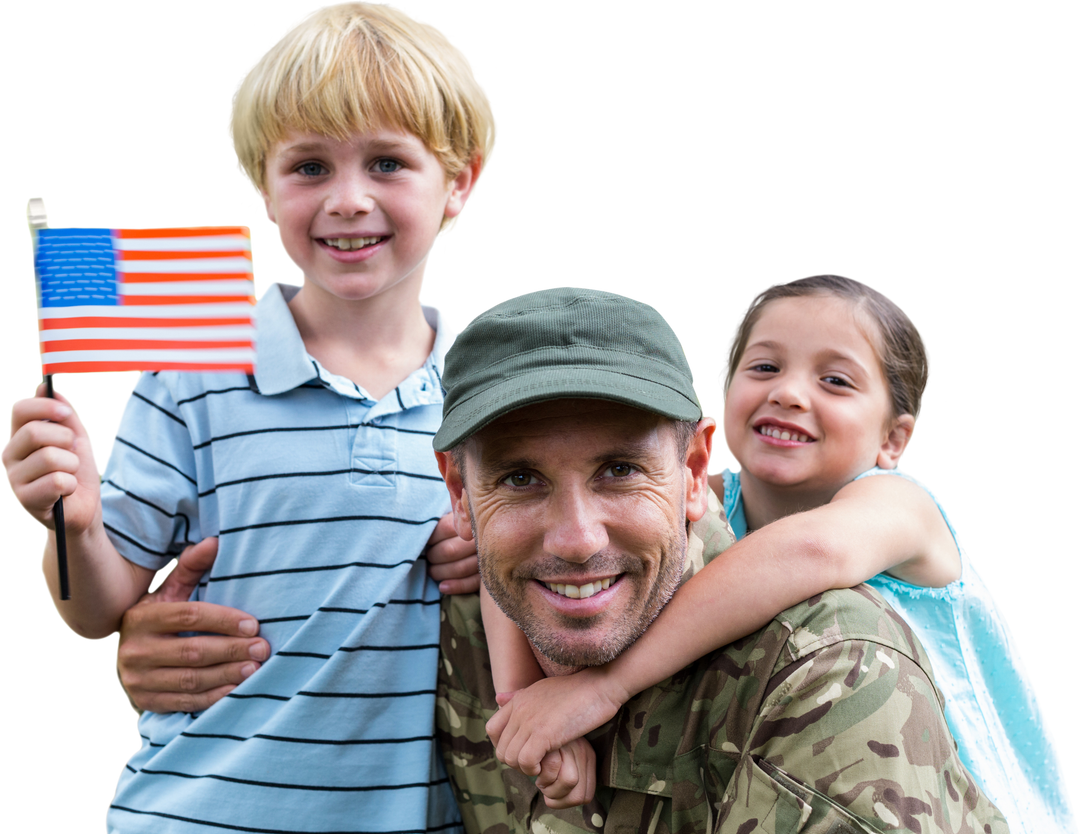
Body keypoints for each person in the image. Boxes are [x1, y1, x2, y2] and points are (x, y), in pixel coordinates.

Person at [1, 2, 497, 831]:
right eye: (308, 167)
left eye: (385, 162)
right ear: (260, 187)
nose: (346, 200)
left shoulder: (491, 395)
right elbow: (92, 611)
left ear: (459, 182)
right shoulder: (190, 379)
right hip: (199, 812)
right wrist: (72, 519)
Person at [482, 275, 1074, 832]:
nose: (788, 393)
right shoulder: (705, 492)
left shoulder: (901, 505)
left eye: (835, 380)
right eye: (764, 366)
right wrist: (527, 705)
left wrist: (599, 689)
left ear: (894, 439)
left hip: (956, 794)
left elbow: (808, 552)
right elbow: (504, 543)